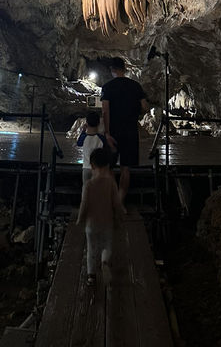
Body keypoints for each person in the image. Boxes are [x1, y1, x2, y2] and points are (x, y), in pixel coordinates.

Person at [101, 56, 148, 207]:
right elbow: (145, 107)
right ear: (125, 69)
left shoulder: (108, 87)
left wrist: (107, 133)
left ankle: (110, 200)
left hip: (114, 130)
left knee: (108, 167)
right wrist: (135, 112)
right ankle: (120, 202)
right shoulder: (135, 86)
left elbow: (105, 111)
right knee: (125, 168)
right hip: (130, 131)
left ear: (112, 70)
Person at [76, 147, 123, 286]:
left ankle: (91, 276)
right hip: (107, 222)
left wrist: (80, 218)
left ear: (91, 165)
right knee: (107, 246)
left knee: (91, 249)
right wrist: (119, 217)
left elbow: (84, 204)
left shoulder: (88, 185)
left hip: (91, 224)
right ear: (108, 165)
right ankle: (104, 262)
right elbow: (116, 203)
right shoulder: (111, 183)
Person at [76, 111, 106, 190]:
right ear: (99, 123)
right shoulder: (101, 138)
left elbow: (78, 143)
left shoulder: (84, 137)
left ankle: (85, 202)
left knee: (86, 190)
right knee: (98, 190)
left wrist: (83, 130)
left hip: (86, 168)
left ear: (87, 123)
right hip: (98, 169)